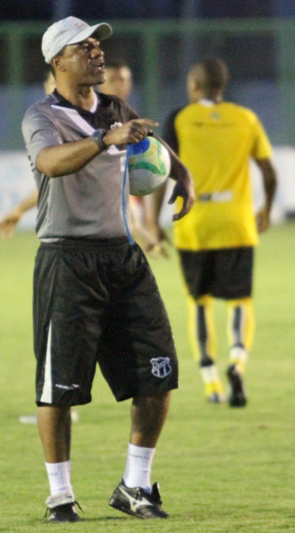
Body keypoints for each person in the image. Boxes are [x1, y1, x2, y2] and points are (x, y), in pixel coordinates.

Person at [22, 17, 194, 522]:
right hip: (66, 259)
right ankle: (59, 494)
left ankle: (135, 485)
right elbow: (51, 163)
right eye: (86, 47)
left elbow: (150, 144)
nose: (99, 53)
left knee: (159, 373)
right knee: (59, 386)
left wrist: (181, 173)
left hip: (123, 258)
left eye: (99, 46)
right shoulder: (41, 115)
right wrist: (105, 139)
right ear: (58, 61)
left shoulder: (115, 107)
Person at [154, 57, 277, 407]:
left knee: (199, 301)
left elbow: (164, 170)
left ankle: (211, 384)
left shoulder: (179, 118)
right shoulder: (245, 118)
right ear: (222, 86)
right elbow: (269, 172)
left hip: (194, 224)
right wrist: (266, 206)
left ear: (194, 85)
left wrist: (152, 222)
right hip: (237, 223)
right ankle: (237, 363)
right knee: (240, 299)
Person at [0, 63, 167, 257]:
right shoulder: (51, 125)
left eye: (125, 80)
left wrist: (146, 226)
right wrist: (19, 209)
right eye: (53, 84)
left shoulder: (103, 121)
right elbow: (58, 183)